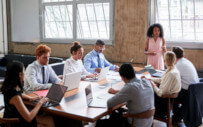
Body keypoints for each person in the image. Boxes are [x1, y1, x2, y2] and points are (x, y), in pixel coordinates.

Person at [1, 61, 54, 127]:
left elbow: (19, 95)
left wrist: (30, 98)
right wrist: (40, 102)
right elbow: (29, 118)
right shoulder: (15, 96)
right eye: (24, 71)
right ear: (20, 74)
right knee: (47, 121)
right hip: (15, 122)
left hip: (13, 117)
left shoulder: (10, 87)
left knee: (49, 119)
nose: (25, 74)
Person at [148, 51, 181, 116]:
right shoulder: (174, 69)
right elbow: (162, 80)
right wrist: (150, 79)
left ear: (164, 60)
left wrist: (153, 85)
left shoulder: (170, 73)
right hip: (168, 101)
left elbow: (161, 93)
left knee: (145, 92)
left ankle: (143, 115)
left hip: (163, 106)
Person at [172, 46, 199, 122]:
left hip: (187, 92)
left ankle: (176, 116)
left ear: (174, 55)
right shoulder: (186, 61)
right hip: (194, 90)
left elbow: (174, 81)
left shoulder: (178, 65)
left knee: (169, 93)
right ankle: (178, 115)